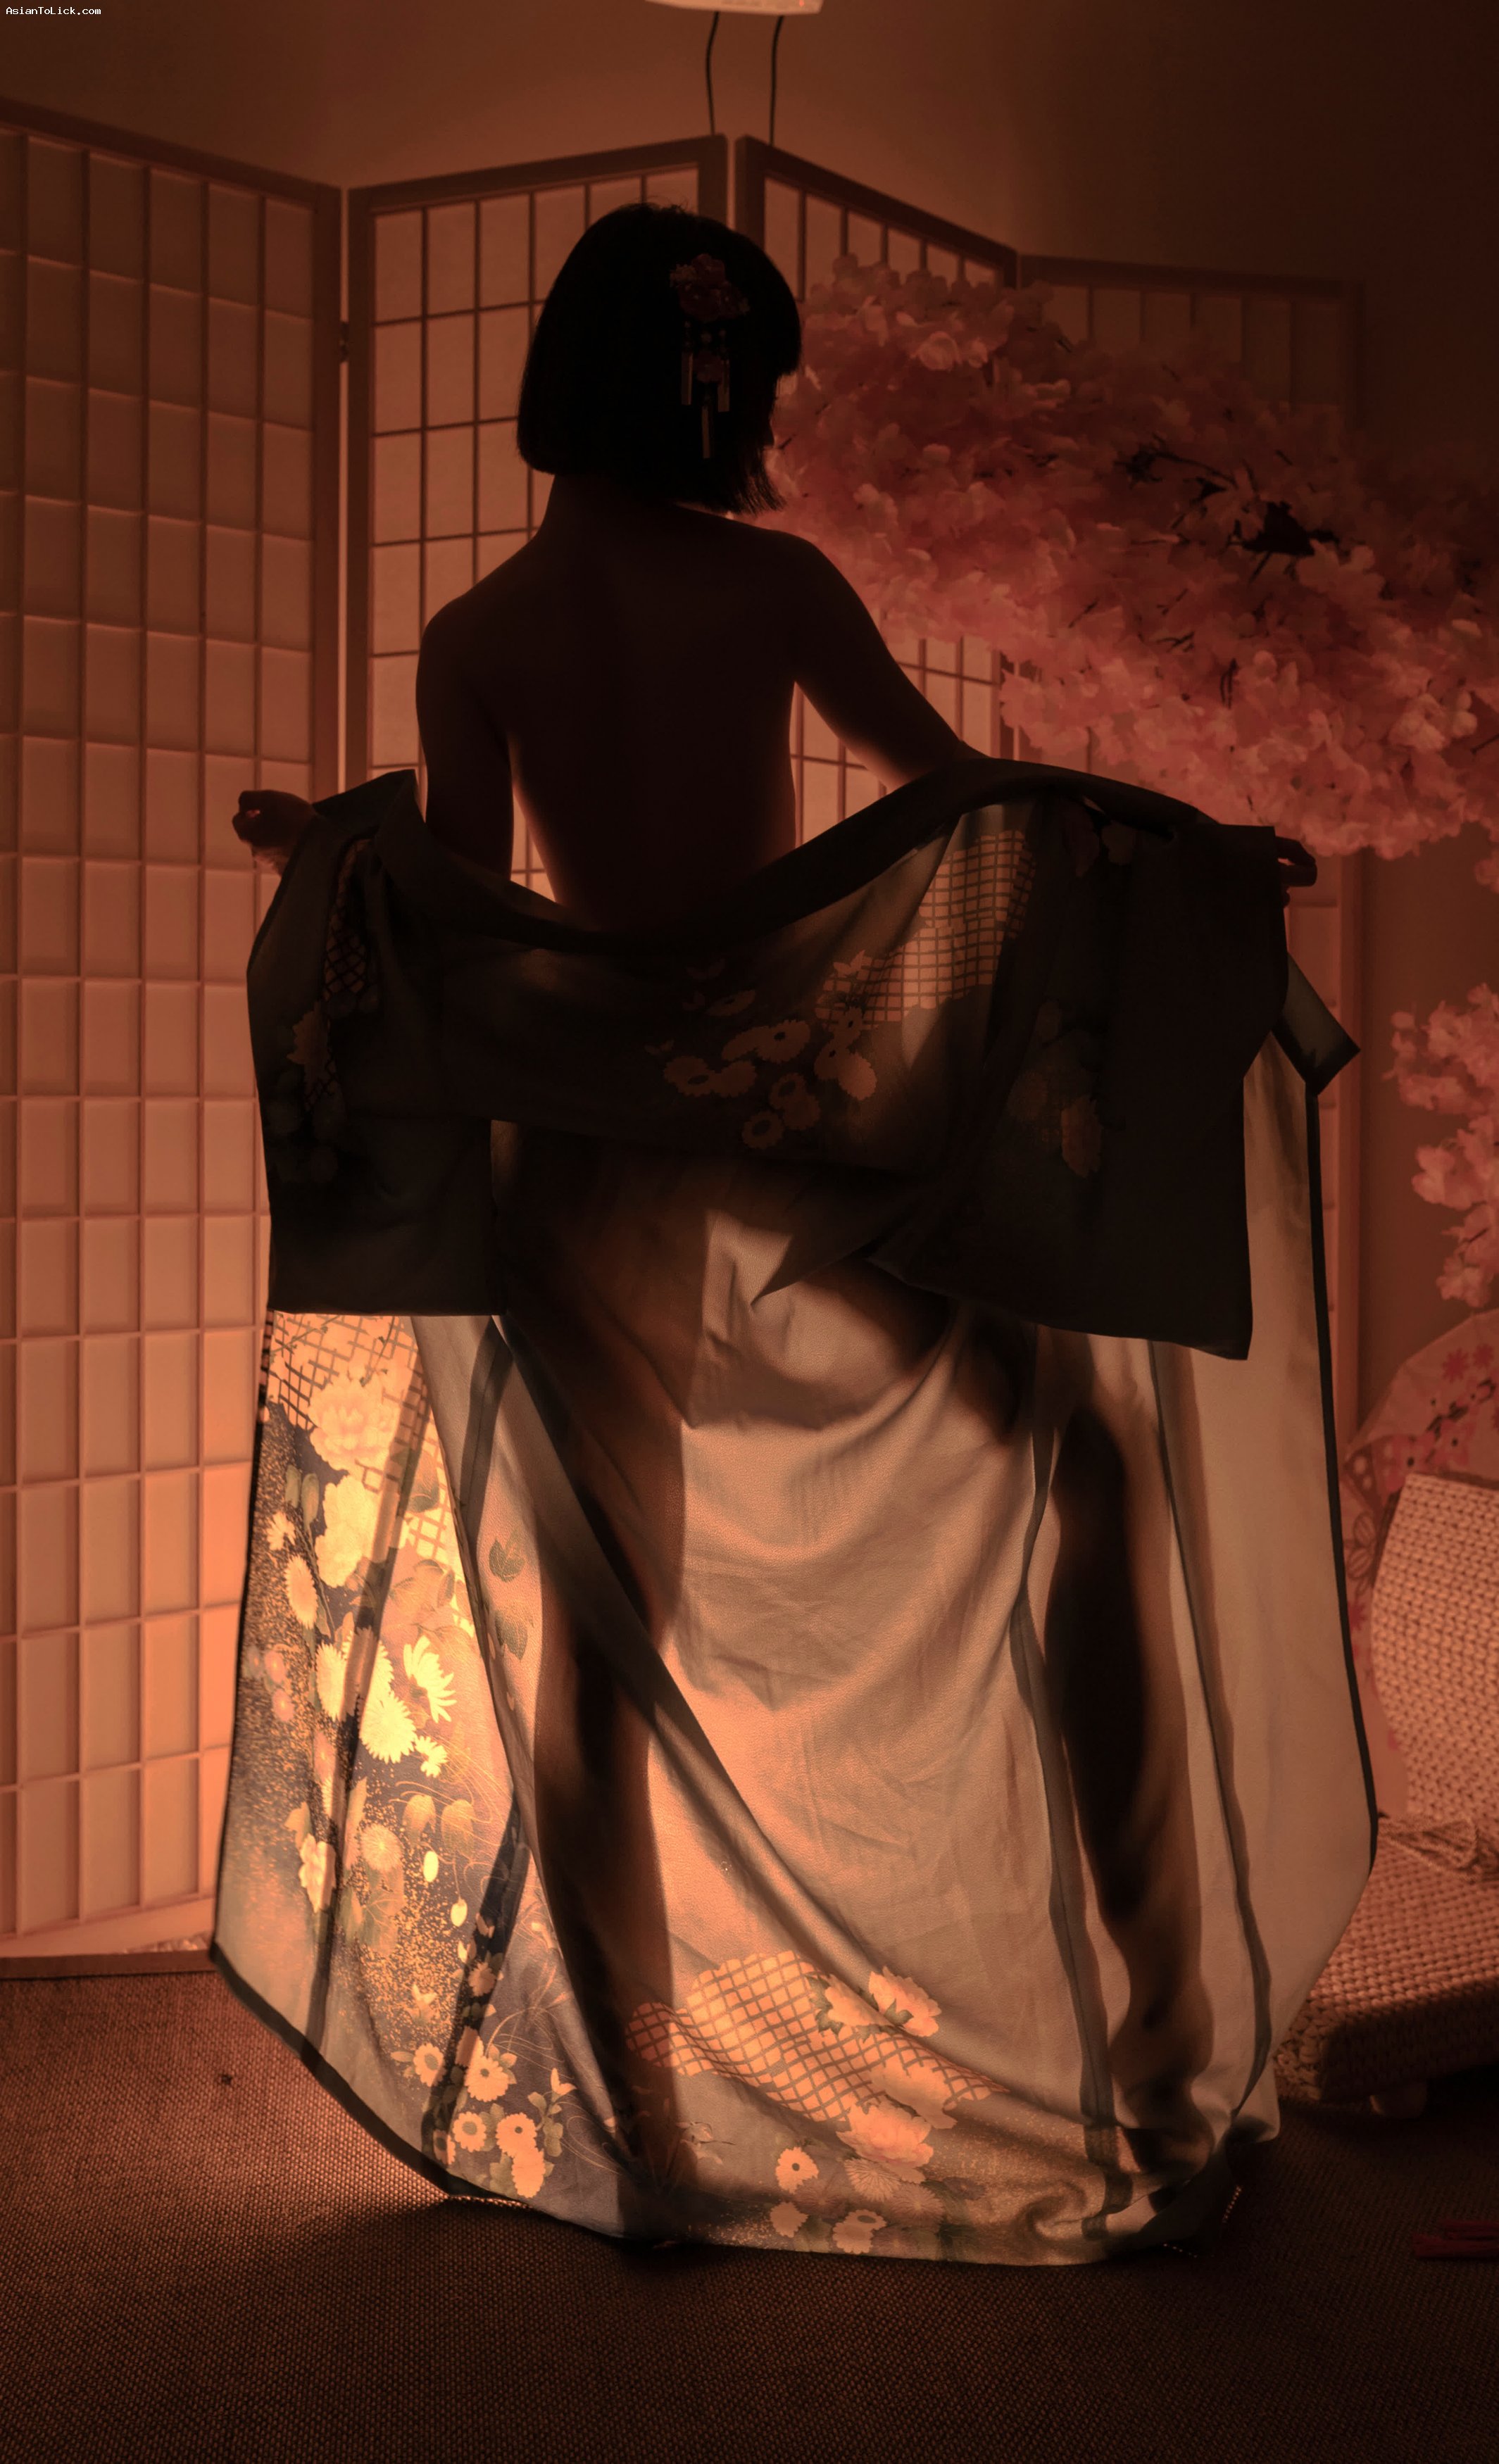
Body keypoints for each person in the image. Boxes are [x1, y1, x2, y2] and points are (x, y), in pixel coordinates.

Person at [217, 204, 1372, 2266]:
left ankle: (648, 2132)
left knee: (605, 1633)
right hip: (780, 1111)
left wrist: (338, 854)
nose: (742, 420)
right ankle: (1160, 2058)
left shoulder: (481, 630)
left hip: (599, 1142)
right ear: (700, 391)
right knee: (1088, 1479)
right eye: (740, 387)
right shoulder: (766, 588)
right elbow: (968, 802)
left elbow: (478, 921)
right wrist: (1179, 856)